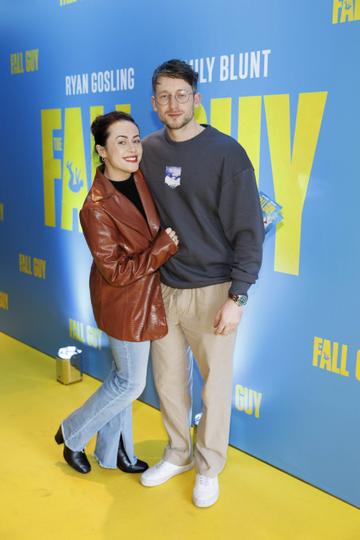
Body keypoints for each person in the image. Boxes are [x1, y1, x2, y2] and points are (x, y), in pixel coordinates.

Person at [139, 59, 264, 507]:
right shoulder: (147, 151)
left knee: (215, 387)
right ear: (154, 104)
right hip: (165, 288)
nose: (173, 104)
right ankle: (178, 453)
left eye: (181, 94)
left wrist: (238, 295)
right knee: (169, 382)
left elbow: (249, 229)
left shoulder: (226, 153)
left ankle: (209, 466)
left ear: (197, 99)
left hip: (215, 289)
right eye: (164, 96)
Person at [55, 111, 178, 475]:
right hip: (123, 302)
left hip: (147, 296)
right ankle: (72, 433)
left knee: (121, 378)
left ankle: (115, 452)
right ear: (102, 151)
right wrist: (161, 249)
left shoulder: (141, 179)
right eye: (121, 141)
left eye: (136, 139)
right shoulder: (94, 209)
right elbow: (115, 271)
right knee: (130, 382)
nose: (132, 148)